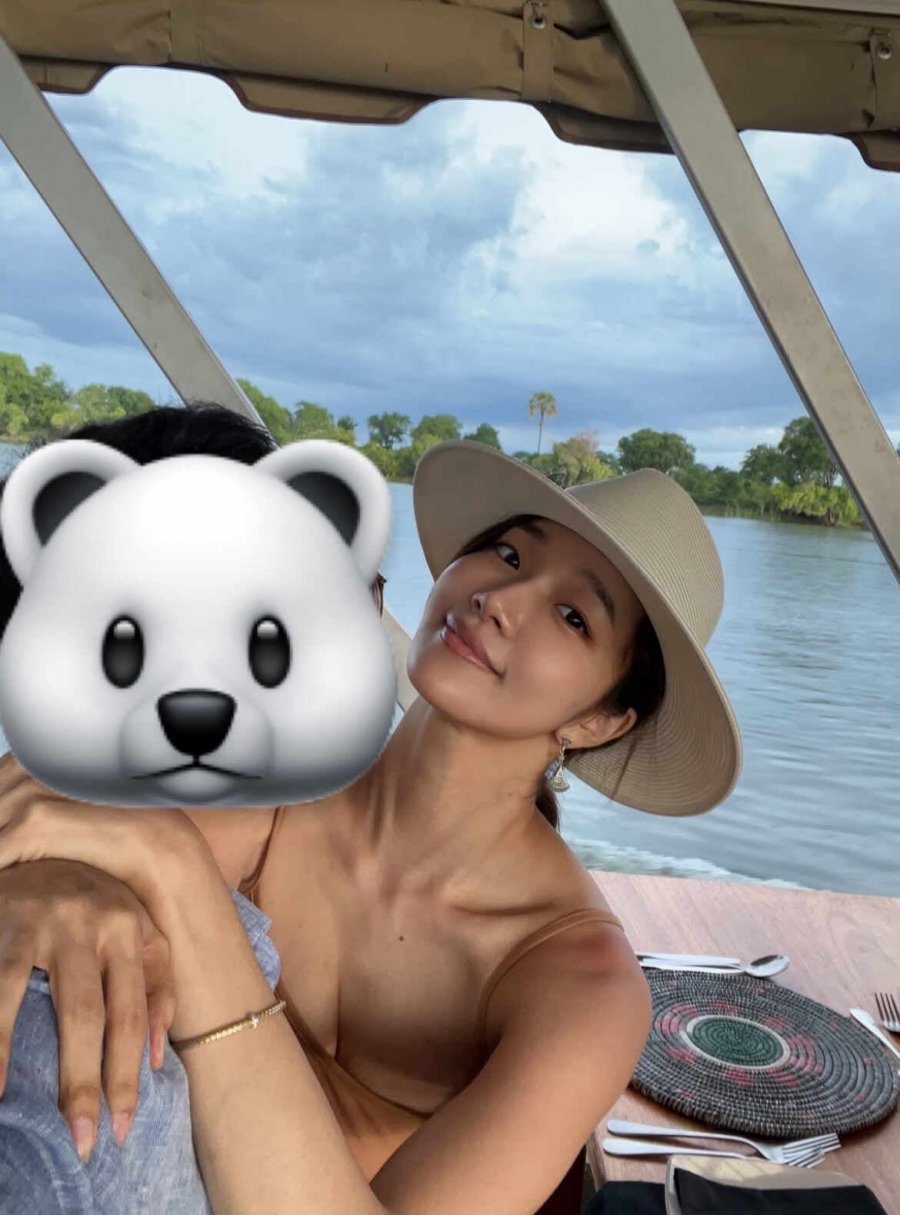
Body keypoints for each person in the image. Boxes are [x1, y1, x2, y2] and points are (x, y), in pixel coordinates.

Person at [0, 416, 742, 1215]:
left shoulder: (579, 984)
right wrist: (42, 883)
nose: (498, 599)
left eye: (573, 615)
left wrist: (176, 873)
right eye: (508, 554)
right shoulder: (271, 775)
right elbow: (50, 814)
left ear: (599, 720)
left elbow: (145, 846)